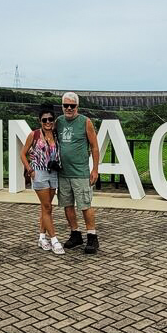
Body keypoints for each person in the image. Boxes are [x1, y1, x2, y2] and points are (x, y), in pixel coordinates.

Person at [57, 91, 101, 254]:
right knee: (67, 205)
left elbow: (94, 147)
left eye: (72, 106)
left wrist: (95, 169)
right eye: (66, 105)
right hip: (63, 173)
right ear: (62, 106)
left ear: (77, 106)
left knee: (84, 205)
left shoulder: (85, 122)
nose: (69, 108)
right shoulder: (59, 122)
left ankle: (92, 236)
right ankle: (75, 234)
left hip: (80, 172)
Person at [21, 107, 64, 254]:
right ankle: (54, 240)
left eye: (50, 119)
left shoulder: (56, 134)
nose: (48, 122)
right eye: (44, 120)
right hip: (39, 173)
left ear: (54, 121)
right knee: (47, 208)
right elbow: (23, 153)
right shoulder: (34, 134)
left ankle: (41, 237)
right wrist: (30, 169)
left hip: (53, 173)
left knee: (46, 207)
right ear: (40, 121)